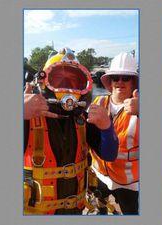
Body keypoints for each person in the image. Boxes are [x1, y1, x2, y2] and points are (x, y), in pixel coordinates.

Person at [23, 47, 119, 215]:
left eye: (74, 81)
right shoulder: (28, 117)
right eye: (59, 79)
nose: (67, 87)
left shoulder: (83, 119)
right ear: (44, 81)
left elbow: (110, 155)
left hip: (75, 210)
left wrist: (106, 127)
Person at [89, 52, 140, 215]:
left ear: (134, 83)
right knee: (100, 207)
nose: (120, 81)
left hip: (128, 183)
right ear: (110, 82)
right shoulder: (98, 102)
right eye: (115, 77)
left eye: (126, 78)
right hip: (100, 175)